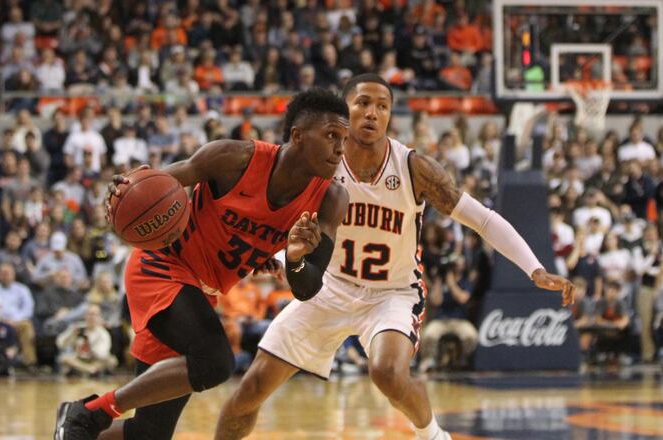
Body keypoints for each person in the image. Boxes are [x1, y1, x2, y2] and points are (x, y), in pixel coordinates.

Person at [215, 74, 573, 440]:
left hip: (393, 293)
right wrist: (277, 255)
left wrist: (535, 268)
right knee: (252, 387)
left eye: (382, 106)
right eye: (363, 103)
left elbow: (482, 218)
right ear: (344, 112)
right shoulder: (320, 163)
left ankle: (432, 434)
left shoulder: (413, 168)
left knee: (387, 372)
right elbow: (279, 217)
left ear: (390, 116)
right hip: (329, 286)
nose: (372, 113)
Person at [54, 88, 351, 439]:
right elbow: (154, 186)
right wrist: (122, 189)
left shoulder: (331, 198)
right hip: (161, 267)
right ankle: (89, 412)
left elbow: (308, 287)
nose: (340, 148)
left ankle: (75, 431)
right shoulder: (234, 158)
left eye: (344, 138)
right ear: (298, 136)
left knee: (149, 434)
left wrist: (296, 259)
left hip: (200, 292)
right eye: (332, 135)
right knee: (216, 362)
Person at [56, 304, 118, 376]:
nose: (92, 317)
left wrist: (89, 345)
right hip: (79, 360)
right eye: (89, 314)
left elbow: (103, 353)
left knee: (112, 360)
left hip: (95, 360)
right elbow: (60, 343)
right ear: (84, 316)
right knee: (64, 358)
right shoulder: (77, 328)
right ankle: (89, 370)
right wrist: (71, 335)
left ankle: (85, 370)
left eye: (95, 314)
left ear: (99, 317)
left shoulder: (102, 333)